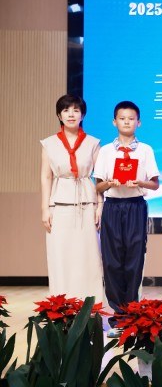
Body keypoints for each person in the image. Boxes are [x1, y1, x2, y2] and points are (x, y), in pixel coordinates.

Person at [94, 101, 159, 337]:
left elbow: (155, 183)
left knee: (134, 260)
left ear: (138, 122)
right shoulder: (105, 151)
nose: (127, 122)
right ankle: (118, 316)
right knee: (112, 261)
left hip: (135, 206)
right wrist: (109, 183)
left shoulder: (145, 150)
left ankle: (132, 315)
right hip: (112, 207)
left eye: (131, 118)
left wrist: (140, 182)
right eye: (122, 118)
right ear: (114, 121)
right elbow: (98, 185)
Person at [40, 94, 104, 302]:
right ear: (59, 115)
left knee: (89, 256)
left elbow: (100, 177)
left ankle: (91, 307)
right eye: (66, 110)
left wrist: (100, 206)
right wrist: (45, 209)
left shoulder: (93, 143)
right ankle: (62, 306)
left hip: (87, 204)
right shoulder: (49, 144)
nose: (71, 114)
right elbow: (46, 177)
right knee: (60, 256)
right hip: (59, 205)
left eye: (76, 110)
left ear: (82, 115)